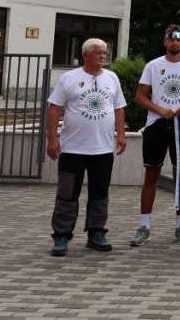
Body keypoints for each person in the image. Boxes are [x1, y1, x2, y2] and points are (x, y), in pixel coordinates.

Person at [46, 38, 127, 256]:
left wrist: (121, 134)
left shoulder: (112, 78)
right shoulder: (69, 78)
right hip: (73, 149)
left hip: (102, 149)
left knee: (100, 192)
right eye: (98, 52)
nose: (103, 56)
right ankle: (62, 235)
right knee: (67, 193)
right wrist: (52, 139)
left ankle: (96, 232)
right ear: (85, 55)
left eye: (104, 52)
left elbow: (119, 108)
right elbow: (54, 108)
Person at [129, 25, 180, 247]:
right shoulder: (153, 65)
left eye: (179, 38)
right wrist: (160, 110)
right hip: (156, 124)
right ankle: (144, 226)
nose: (175, 42)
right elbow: (140, 96)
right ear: (165, 41)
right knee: (151, 174)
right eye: (171, 38)